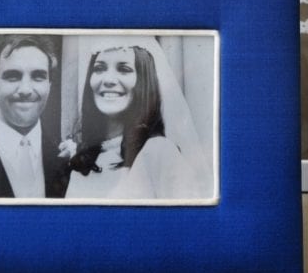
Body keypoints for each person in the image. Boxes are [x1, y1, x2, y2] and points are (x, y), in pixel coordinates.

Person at [65, 38, 211, 200]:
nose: (108, 80)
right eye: (99, 68)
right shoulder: (83, 163)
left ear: (143, 81)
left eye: (124, 69)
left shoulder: (159, 152)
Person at [0, 34, 68, 198]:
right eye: (13, 76)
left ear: (49, 85)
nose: (26, 90)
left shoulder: (67, 160)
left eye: (38, 76)